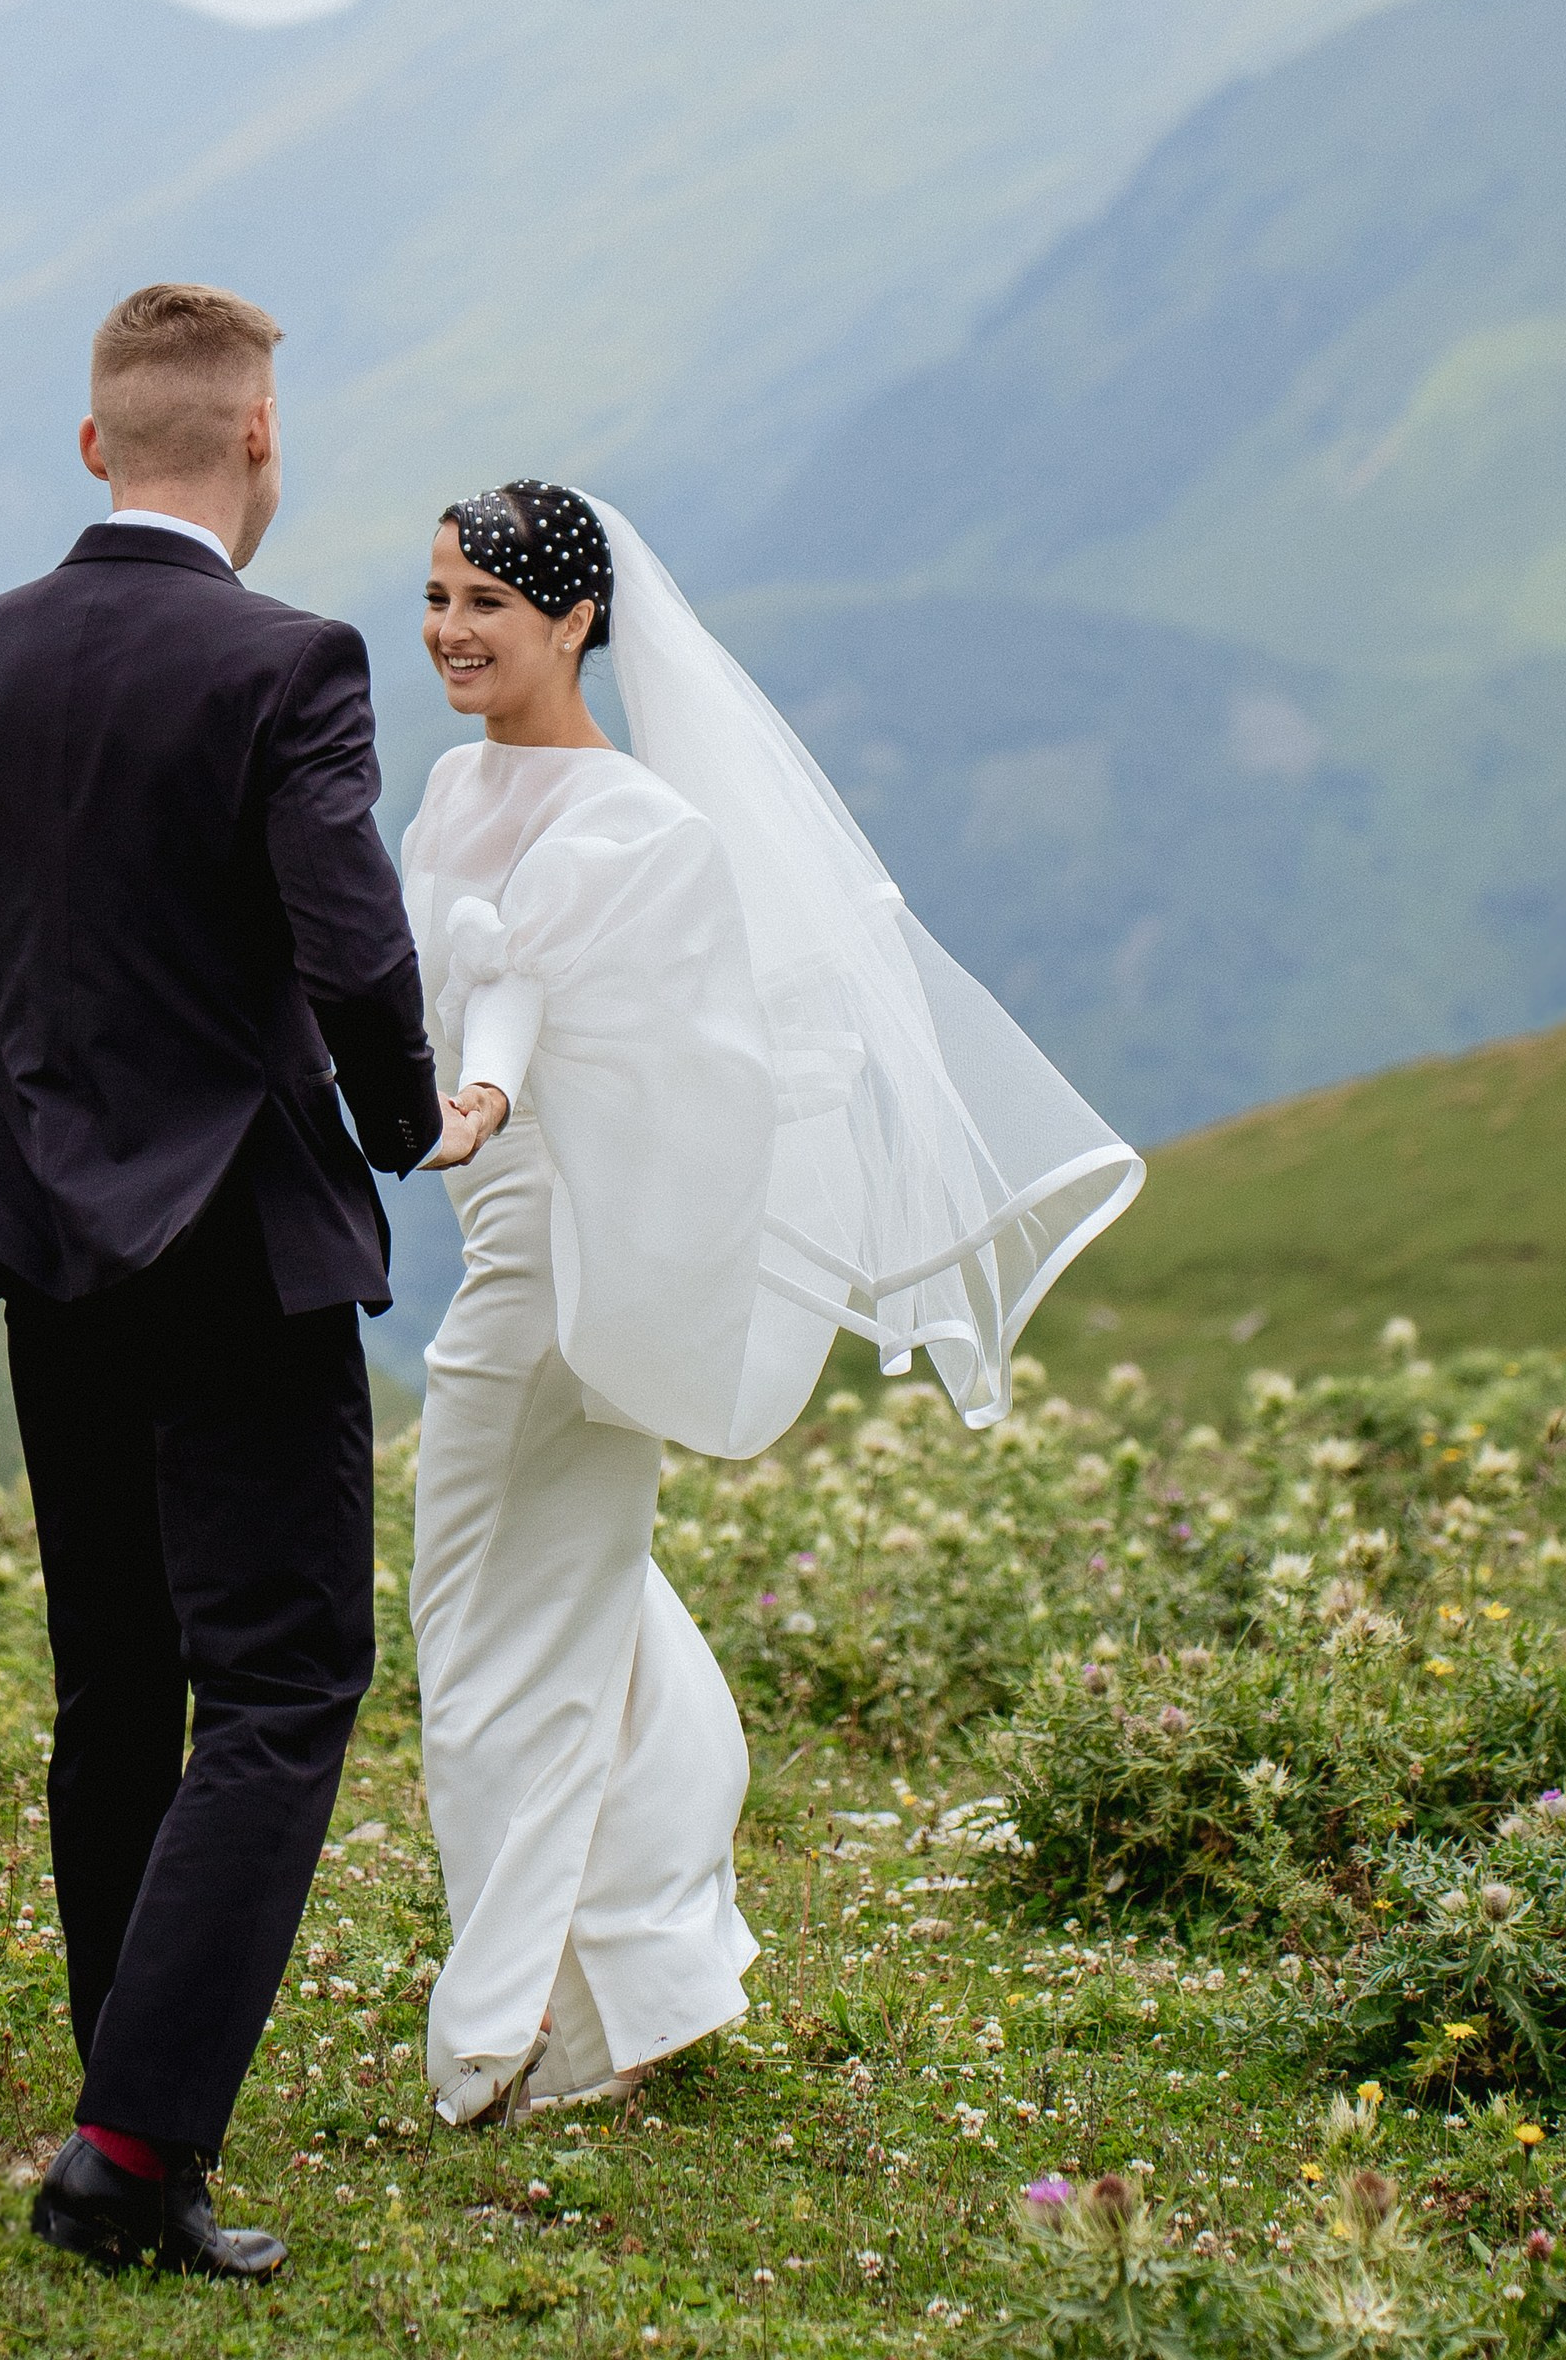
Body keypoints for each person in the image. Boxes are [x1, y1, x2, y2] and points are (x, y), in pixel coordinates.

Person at [0, 283, 481, 2281]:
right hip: (245, 1242)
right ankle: (127, 2148)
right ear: (264, 439)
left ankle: (121, 2108)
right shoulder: (293, 659)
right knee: (287, 1679)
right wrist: (402, 1118)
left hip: (41, 1237)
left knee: (119, 1675)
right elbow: (357, 944)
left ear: (96, 443)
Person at [399, 481, 1143, 2128]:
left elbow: (594, 1024)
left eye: (487, 605)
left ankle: (515, 2028)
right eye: (437, 598)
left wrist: (493, 1100)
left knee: (476, 1634)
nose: (451, 632)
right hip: (490, 1237)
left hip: (562, 1277)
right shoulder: (454, 784)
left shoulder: (642, 829)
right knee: (585, 1611)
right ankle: (646, 1974)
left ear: (576, 620)